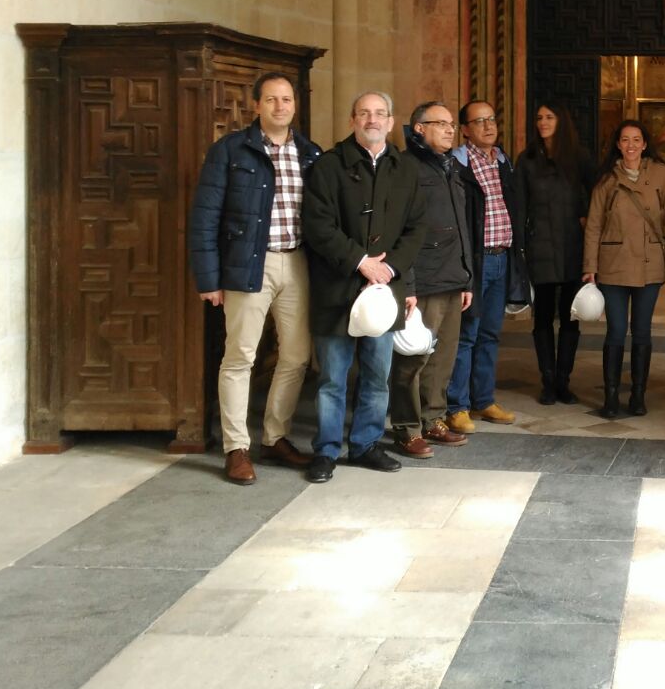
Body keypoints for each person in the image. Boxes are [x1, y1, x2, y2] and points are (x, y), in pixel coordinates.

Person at [186, 72, 321, 485]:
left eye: (286, 99)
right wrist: (208, 278)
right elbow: (205, 216)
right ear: (257, 105)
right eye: (272, 99)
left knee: (296, 356)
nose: (280, 106)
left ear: (295, 105)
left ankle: (275, 437)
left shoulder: (310, 153)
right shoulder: (230, 150)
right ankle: (236, 447)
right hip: (248, 265)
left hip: (297, 263)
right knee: (240, 356)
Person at [301, 92, 427, 483]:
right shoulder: (327, 167)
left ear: (390, 122)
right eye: (364, 113)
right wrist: (361, 261)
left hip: (386, 287)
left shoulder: (406, 169)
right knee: (332, 379)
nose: (372, 120)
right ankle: (326, 451)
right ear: (352, 120)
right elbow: (317, 226)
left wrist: (390, 268)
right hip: (336, 286)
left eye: (380, 114)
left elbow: (416, 228)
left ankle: (366, 444)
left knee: (376, 375)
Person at [583, 120, 665, 417]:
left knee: (642, 330)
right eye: (625, 139)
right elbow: (593, 225)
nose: (631, 145)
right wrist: (590, 265)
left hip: (648, 263)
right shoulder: (606, 179)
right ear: (618, 144)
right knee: (616, 330)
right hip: (613, 264)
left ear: (644, 144)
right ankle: (611, 396)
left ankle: (638, 395)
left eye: (636, 139)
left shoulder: (660, 173)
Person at [390, 102, 476, 458]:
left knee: (442, 358)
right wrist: (407, 284)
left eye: (451, 124)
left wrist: (467, 277)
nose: (449, 129)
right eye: (440, 123)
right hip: (423, 278)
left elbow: (462, 226)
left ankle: (432, 418)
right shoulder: (405, 166)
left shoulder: (450, 165)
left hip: (452, 276)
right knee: (413, 357)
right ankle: (407, 428)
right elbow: (400, 230)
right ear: (419, 128)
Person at [447, 100, 527, 431]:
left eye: (492, 119)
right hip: (475, 262)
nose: (489, 125)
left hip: (502, 257)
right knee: (467, 334)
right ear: (465, 130)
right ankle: (457, 405)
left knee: (491, 334)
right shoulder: (457, 164)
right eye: (480, 121)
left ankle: (483, 400)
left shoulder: (504, 162)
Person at [517, 102, 594, 405]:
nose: (543, 122)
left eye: (550, 117)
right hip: (540, 249)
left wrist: (587, 216)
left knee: (571, 317)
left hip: (573, 247)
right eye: (539, 117)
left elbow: (598, 193)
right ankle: (548, 381)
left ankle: (564, 381)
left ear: (562, 120)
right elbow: (520, 206)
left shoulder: (579, 157)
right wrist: (521, 247)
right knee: (543, 318)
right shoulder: (527, 159)